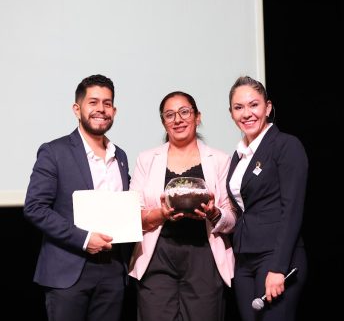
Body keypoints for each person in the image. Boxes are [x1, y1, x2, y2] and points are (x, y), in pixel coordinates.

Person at [24, 74, 134, 321]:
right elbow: (35, 207)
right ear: (77, 109)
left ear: (114, 111)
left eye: (107, 103)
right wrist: (84, 239)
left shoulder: (121, 156)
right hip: (68, 270)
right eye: (93, 102)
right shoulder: (54, 151)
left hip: (113, 269)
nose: (101, 109)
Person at [128, 91, 236, 321]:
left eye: (184, 112)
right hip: (158, 254)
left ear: (198, 117)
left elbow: (232, 218)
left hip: (204, 256)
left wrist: (214, 213)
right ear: (163, 122)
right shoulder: (147, 159)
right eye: (169, 115)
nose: (177, 119)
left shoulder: (219, 159)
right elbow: (131, 214)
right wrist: (161, 214)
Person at [226, 76, 308, 321]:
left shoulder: (286, 145)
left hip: (276, 257)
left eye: (254, 105)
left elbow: (292, 211)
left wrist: (278, 268)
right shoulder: (238, 156)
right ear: (231, 113)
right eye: (239, 107)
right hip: (244, 261)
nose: (247, 113)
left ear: (268, 107)